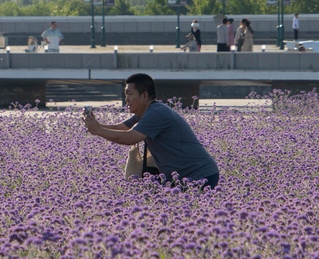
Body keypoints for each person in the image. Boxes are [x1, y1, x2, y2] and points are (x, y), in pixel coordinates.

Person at [83, 73, 219, 189]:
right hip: (181, 178)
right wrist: (96, 125)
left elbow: (130, 138)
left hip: (200, 176)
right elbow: (122, 128)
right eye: (125, 94)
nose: (126, 99)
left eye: (129, 94)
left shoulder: (156, 113)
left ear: (144, 96)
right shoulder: (146, 112)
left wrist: (98, 130)